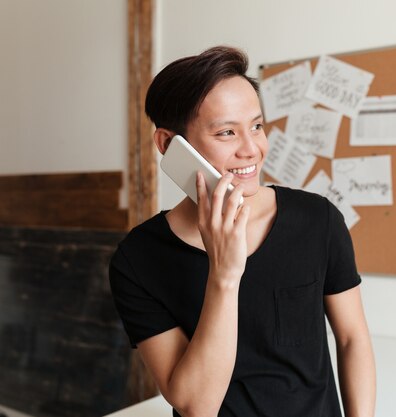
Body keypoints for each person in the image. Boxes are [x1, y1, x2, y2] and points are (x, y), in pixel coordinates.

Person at [109, 46, 376, 417]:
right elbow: (194, 405)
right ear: (170, 145)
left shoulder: (318, 220)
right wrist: (224, 275)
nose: (252, 149)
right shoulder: (138, 258)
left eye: (257, 126)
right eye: (226, 133)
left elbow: (352, 339)